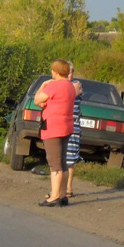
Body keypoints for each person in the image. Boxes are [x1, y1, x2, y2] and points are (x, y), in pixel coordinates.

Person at [34, 59, 76, 207]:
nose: (51, 72)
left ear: (56, 72)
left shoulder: (53, 86)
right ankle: (63, 195)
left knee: (54, 164)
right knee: (63, 162)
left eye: (52, 70)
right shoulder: (70, 86)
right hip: (67, 126)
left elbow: (37, 99)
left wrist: (42, 86)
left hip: (53, 127)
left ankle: (54, 195)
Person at [64, 62, 83, 199]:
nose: (69, 75)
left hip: (72, 126)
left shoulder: (76, 85)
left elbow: (69, 95)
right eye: (67, 72)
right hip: (59, 124)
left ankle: (68, 188)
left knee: (70, 159)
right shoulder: (58, 84)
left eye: (71, 72)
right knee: (59, 158)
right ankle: (58, 189)